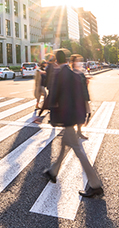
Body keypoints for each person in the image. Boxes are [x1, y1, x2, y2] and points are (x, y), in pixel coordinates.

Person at [44, 51, 104, 199]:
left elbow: (53, 95)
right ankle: (53, 171)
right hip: (74, 116)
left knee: (78, 150)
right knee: (65, 144)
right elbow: (81, 95)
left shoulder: (58, 74)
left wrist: (41, 114)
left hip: (67, 118)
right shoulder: (74, 75)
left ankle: (95, 184)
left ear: (56, 61)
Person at [70, 54, 91, 139]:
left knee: (82, 115)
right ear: (73, 62)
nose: (79, 62)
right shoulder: (72, 72)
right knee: (77, 115)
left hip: (82, 97)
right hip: (76, 97)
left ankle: (78, 131)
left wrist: (86, 81)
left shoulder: (80, 72)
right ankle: (74, 132)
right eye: (77, 61)